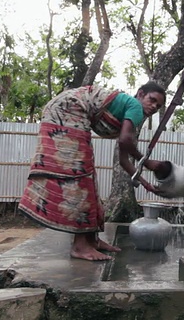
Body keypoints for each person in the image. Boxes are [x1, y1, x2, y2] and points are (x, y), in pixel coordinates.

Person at [18, 82, 167, 261]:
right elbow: (125, 142)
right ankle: (80, 247)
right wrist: (149, 163)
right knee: (79, 177)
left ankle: (92, 240)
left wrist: (146, 184)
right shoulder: (134, 106)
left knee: (87, 176)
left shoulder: (130, 112)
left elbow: (123, 160)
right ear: (140, 94)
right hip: (68, 109)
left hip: (63, 107)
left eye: (158, 106)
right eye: (152, 100)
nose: (153, 107)